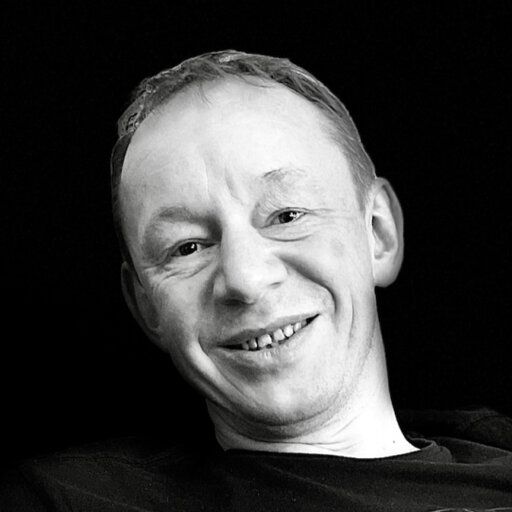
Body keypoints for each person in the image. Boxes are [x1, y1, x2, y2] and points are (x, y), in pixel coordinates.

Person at [1, 50, 511, 511]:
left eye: (286, 215)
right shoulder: (68, 501)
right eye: (188, 247)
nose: (245, 279)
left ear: (377, 233)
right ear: (145, 306)